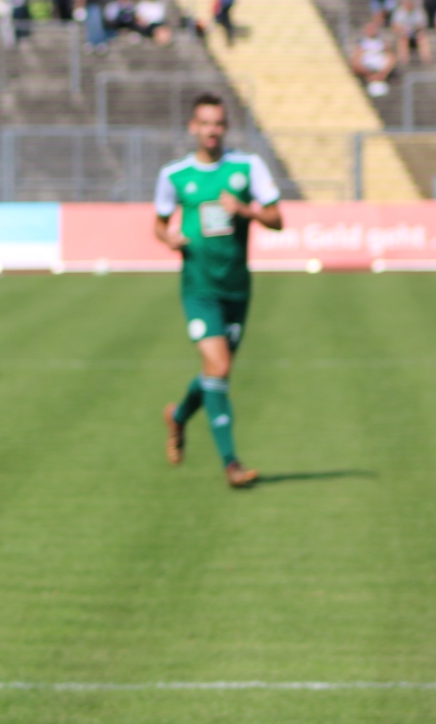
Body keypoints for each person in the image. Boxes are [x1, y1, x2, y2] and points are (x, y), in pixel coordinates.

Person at [154, 93, 281, 489]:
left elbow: (277, 218)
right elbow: (159, 223)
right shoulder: (174, 174)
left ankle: (178, 417)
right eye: (205, 123)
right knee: (220, 368)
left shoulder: (247, 167)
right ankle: (231, 464)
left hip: (237, 288)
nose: (212, 131)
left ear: (226, 127)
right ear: (194, 127)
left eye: (219, 124)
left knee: (215, 371)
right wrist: (169, 238)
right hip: (199, 288)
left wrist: (246, 211)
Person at [351, 15, 397, 96]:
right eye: (369, 28)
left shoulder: (382, 41)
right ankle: (370, 76)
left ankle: (381, 76)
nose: (371, 30)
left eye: (373, 28)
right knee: (356, 60)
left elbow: (390, 53)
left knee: (391, 57)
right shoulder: (361, 42)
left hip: (380, 63)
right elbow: (356, 58)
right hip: (366, 64)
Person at [389, 0, 432, 65]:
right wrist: (403, 30)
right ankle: (404, 60)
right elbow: (394, 26)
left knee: (422, 37)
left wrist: (416, 28)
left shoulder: (419, 11)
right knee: (403, 38)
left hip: (416, 34)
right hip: (403, 34)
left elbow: (423, 25)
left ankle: (426, 60)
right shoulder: (399, 11)